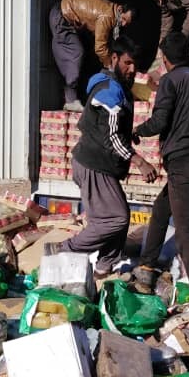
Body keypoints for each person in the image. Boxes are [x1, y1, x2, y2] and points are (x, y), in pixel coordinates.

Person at [59, 36, 158, 277]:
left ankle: (104, 268)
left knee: (115, 219)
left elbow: (113, 130)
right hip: (94, 164)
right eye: (127, 63)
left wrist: (129, 134)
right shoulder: (109, 91)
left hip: (99, 163)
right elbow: (110, 137)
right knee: (116, 218)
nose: (132, 69)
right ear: (114, 59)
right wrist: (140, 162)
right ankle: (65, 250)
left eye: (135, 65)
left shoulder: (117, 86)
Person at [132, 32, 189, 297]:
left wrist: (137, 131)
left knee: (185, 229)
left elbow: (160, 121)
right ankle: (147, 264)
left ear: (164, 59)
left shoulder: (170, 81)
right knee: (161, 208)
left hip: (182, 160)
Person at [49, 0, 135, 112]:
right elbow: (100, 48)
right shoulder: (107, 16)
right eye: (124, 19)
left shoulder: (113, 14)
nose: (124, 24)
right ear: (120, 10)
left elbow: (106, 43)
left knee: (89, 55)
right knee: (76, 53)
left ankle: (82, 96)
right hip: (62, 17)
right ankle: (70, 101)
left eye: (127, 23)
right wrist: (111, 67)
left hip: (69, 19)